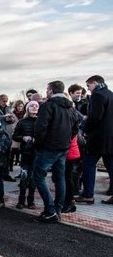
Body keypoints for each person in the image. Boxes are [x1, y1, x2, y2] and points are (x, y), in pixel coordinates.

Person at [32, 81, 81, 223]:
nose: (46, 91)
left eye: (47, 89)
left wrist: (38, 144)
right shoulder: (70, 108)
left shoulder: (48, 106)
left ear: (51, 90)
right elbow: (76, 127)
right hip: (63, 148)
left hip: (48, 148)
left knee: (38, 177)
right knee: (60, 178)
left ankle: (50, 210)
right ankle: (58, 209)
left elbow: (41, 128)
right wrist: (67, 140)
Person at [78, 75, 113, 204]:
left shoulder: (97, 95)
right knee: (111, 165)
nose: (88, 89)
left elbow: (95, 117)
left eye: (88, 86)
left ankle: (87, 194)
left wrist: (85, 128)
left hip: (99, 137)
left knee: (88, 164)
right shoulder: (110, 94)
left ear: (95, 83)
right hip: (110, 137)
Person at [12, 101, 39, 209]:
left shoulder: (41, 121)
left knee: (33, 179)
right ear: (27, 108)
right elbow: (15, 136)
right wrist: (23, 137)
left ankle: (31, 201)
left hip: (37, 154)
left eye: (36, 105)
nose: (34, 107)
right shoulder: (22, 122)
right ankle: (21, 200)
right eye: (32, 105)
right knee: (24, 177)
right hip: (25, 153)